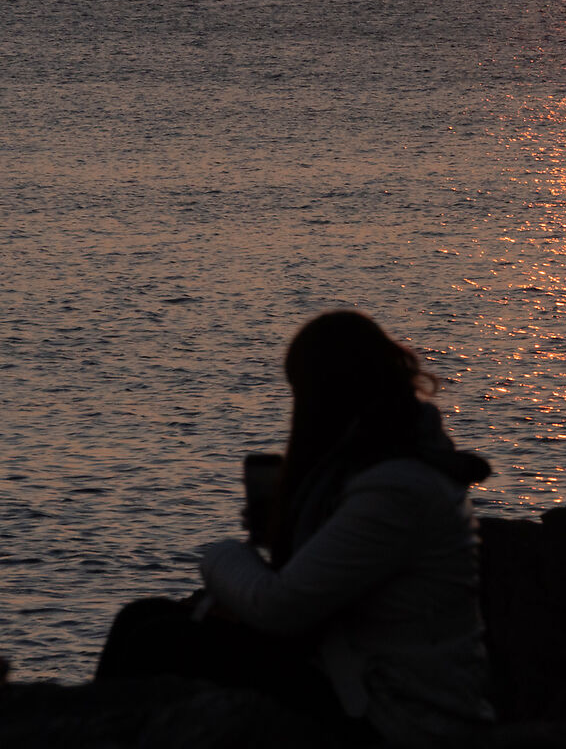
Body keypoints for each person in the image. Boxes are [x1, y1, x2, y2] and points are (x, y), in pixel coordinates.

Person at [97, 311, 495, 744]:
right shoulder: (396, 463)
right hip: (353, 676)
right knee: (143, 619)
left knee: (154, 640)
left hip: (397, 713)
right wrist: (279, 533)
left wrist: (221, 556)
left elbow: (280, 608)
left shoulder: (397, 488)